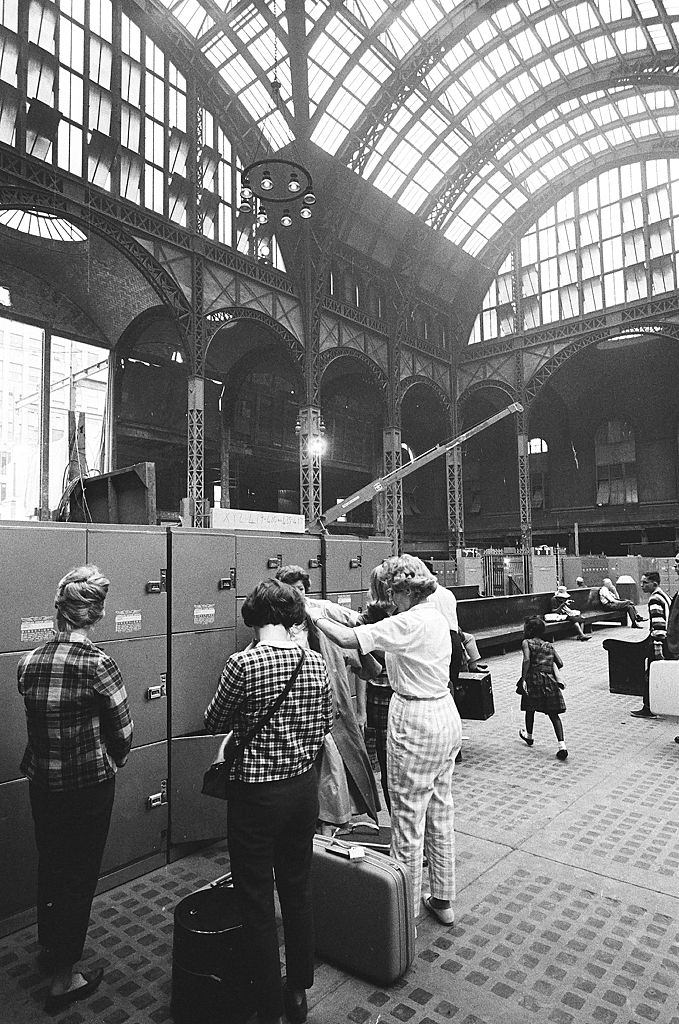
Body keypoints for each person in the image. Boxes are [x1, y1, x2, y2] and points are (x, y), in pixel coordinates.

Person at [307, 554, 462, 926]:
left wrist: (311, 615)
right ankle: (443, 900)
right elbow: (361, 622)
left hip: (415, 720)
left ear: (404, 590)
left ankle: (401, 915)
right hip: (444, 714)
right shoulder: (434, 611)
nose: (390, 600)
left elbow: (348, 636)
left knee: (407, 819)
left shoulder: (408, 622)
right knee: (440, 810)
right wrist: (318, 604)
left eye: (393, 593)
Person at [204, 579, 332, 1024]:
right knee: (297, 888)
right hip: (301, 793)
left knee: (255, 897)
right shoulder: (314, 662)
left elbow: (213, 719)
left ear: (254, 616)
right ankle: (297, 991)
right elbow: (326, 721)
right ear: (293, 617)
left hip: (256, 797)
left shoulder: (242, 664)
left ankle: (266, 1005)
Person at [18, 566, 133, 1015]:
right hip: (87, 785)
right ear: (97, 613)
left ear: (59, 612)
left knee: (52, 865)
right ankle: (66, 979)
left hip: (43, 784)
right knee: (79, 875)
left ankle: (51, 951)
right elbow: (123, 731)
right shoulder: (98, 664)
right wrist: (112, 760)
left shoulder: (29, 662)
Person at [274, 565, 380, 832]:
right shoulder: (279, 624)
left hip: (331, 710)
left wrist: (360, 708)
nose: (298, 595)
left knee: (333, 769)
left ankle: (329, 827)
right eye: (291, 590)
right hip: (299, 713)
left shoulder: (322, 614)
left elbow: (360, 651)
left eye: (301, 589)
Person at [517, 615, 568, 761]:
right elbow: (560, 662)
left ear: (529, 630)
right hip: (549, 681)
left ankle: (529, 736)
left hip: (533, 679)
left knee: (529, 709)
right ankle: (562, 745)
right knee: (553, 714)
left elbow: (527, 660)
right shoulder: (549, 645)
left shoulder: (526, 642)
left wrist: (523, 677)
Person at [631, 571, 671, 719]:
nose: (642, 585)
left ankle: (649, 708)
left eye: (645, 582)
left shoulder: (654, 599)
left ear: (654, 583)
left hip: (660, 641)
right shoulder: (664, 595)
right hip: (669, 641)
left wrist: (657, 645)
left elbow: (659, 624)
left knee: (651, 674)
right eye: (641, 582)